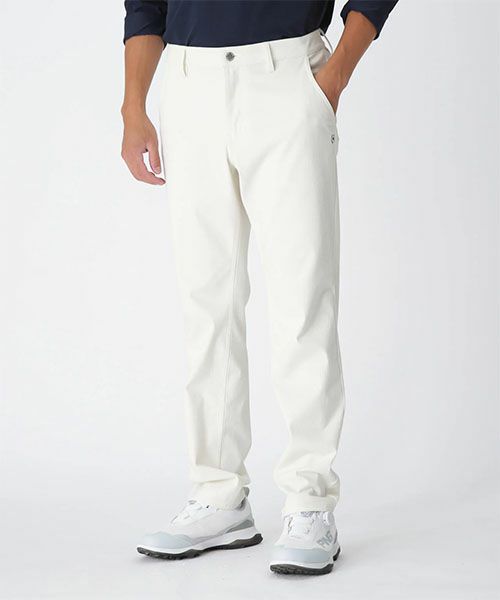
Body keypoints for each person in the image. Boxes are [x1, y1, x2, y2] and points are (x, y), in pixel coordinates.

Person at [121, 0, 397, 576]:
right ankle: (219, 495)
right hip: (190, 84)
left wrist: (335, 76)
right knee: (207, 302)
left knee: (303, 298)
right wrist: (133, 106)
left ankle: (310, 501)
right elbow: (145, 5)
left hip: (289, 77)